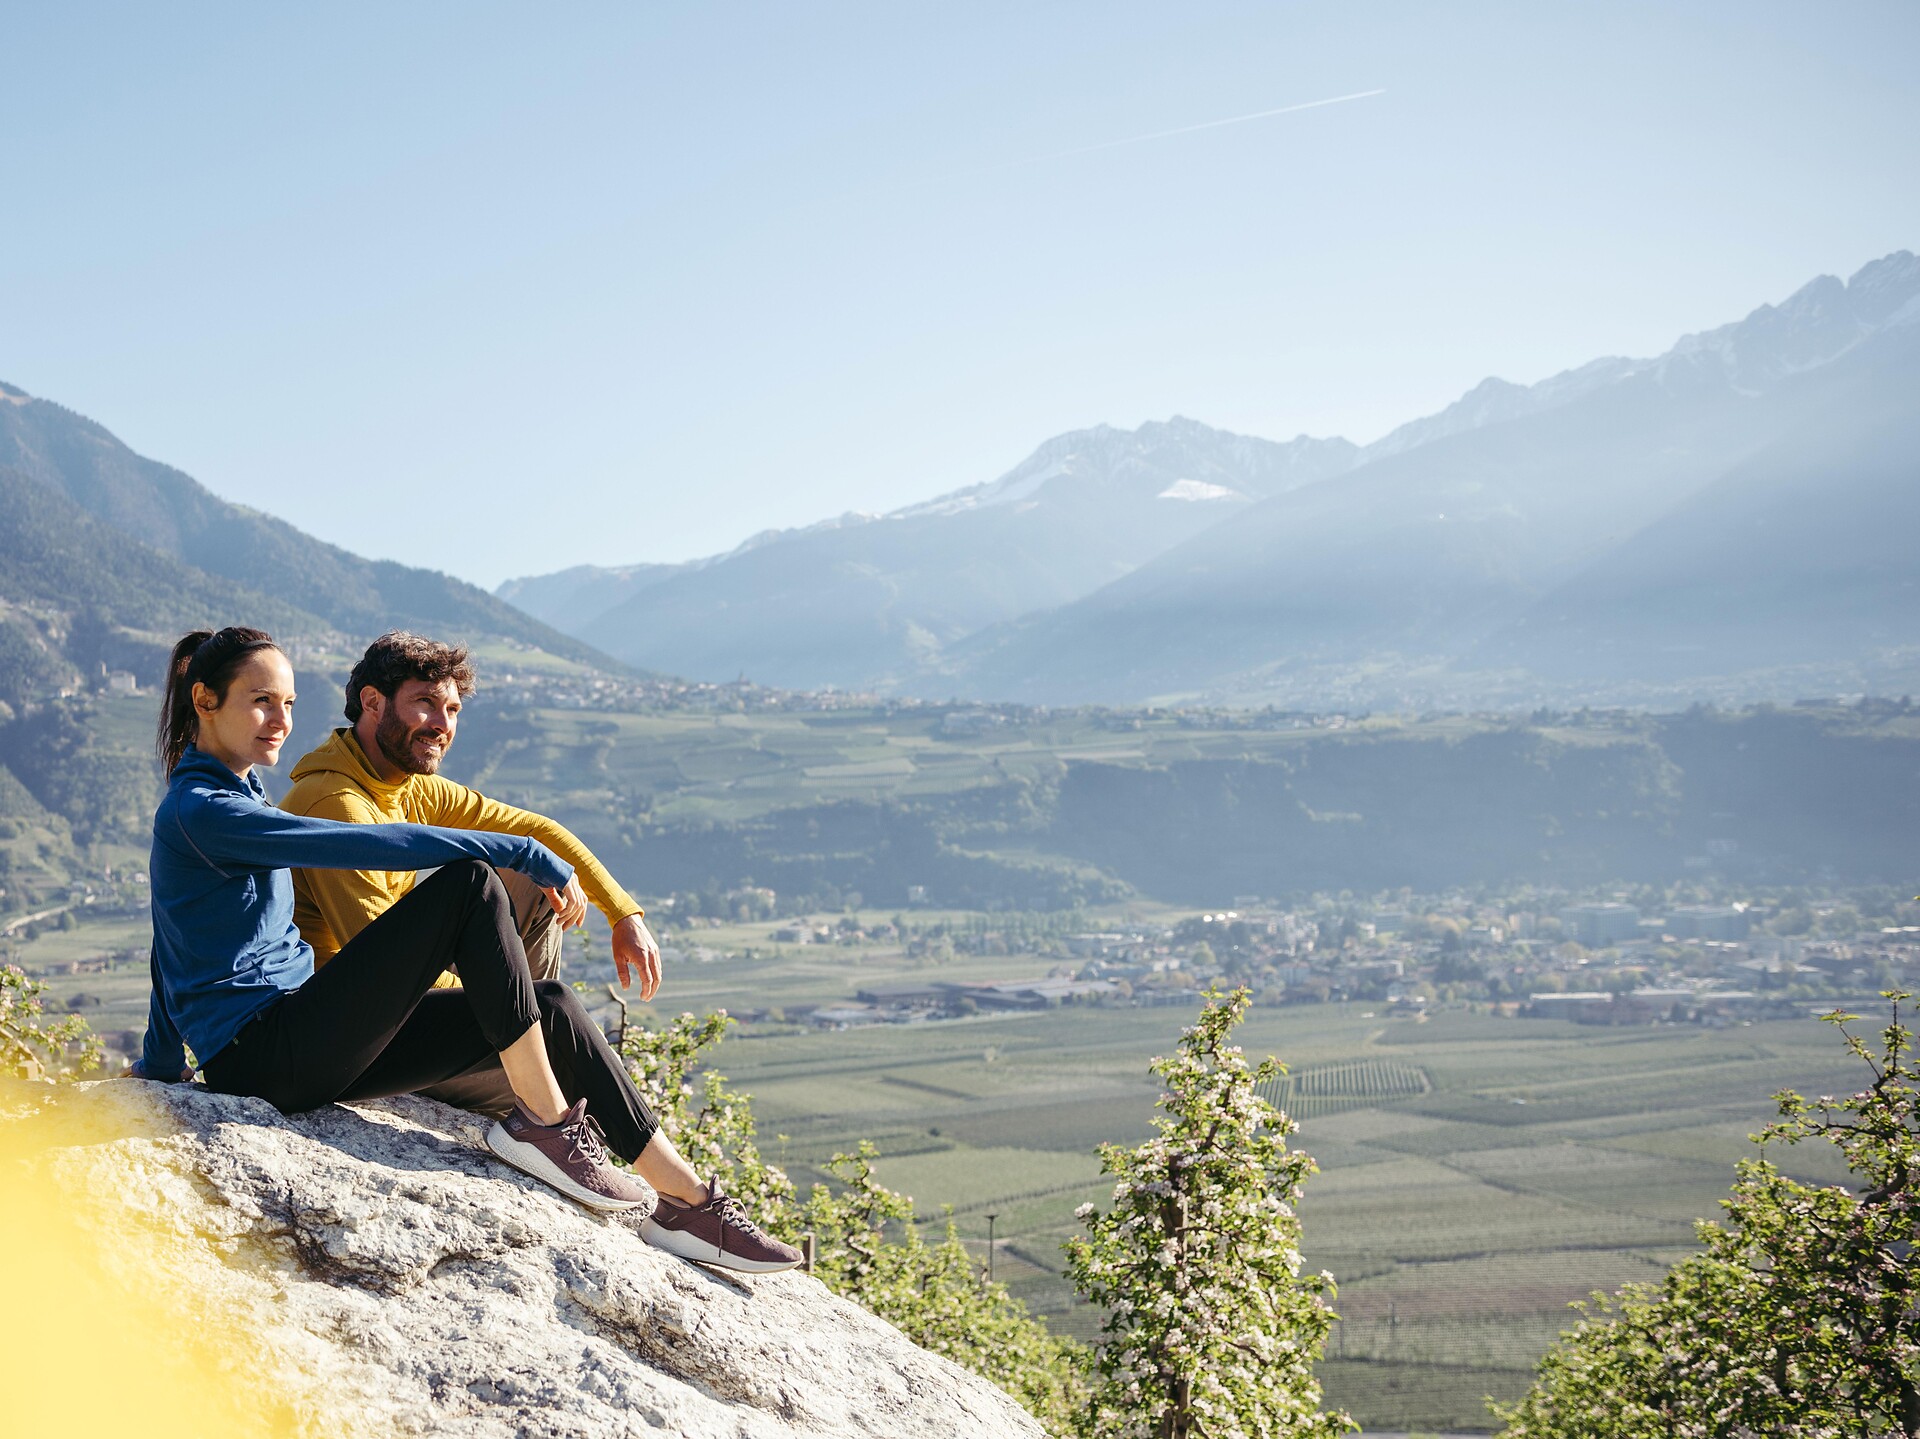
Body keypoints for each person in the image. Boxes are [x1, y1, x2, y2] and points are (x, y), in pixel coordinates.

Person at [128, 627, 798, 1274]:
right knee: (470, 886)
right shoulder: (202, 810)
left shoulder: (241, 792)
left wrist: (158, 1062)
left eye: (289, 703)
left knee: (555, 1003)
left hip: (309, 1040)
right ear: (205, 701)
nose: (279, 718)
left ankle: (687, 1202)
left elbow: (173, 937)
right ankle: (546, 1122)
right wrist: (512, 851)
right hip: (264, 1056)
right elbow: (363, 845)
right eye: (261, 700)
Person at [280, 630, 654, 1116]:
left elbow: (536, 831)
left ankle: (525, 1043)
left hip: (405, 990)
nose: (442, 724)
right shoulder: (339, 804)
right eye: (425, 704)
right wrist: (508, 1002)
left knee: (532, 875)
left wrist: (624, 914)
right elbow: (381, 967)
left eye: (452, 710)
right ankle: (528, 1062)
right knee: (570, 1082)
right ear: (372, 702)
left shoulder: (404, 783)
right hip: (363, 1034)